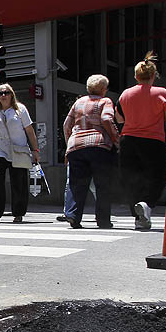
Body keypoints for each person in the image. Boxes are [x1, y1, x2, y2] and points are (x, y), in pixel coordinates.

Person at [118, 52, 166, 230]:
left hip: (128, 141)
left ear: (136, 76)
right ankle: (146, 204)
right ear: (153, 76)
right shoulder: (161, 93)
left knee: (131, 179)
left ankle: (139, 217)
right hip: (153, 141)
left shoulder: (125, 94)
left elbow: (119, 118)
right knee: (157, 177)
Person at [62, 75, 120, 229]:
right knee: (102, 185)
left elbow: (66, 125)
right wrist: (116, 140)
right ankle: (103, 220)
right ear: (103, 89)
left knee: (76, 183)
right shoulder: (105, 101)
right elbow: (107, 119)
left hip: (76, 146)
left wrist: (69, 145)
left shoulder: (78, 102)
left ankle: (73, 215)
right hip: (99, 146)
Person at [0, 84, 41, 223]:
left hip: (18, 150)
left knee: (18, 182)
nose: (3, 95)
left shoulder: (20, 110)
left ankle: (18, 213)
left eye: (6, 92)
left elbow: (29, 131)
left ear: (11, 95)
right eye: (0, 93)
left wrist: (35, 150)